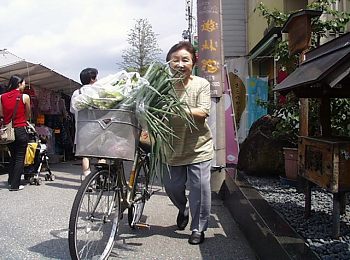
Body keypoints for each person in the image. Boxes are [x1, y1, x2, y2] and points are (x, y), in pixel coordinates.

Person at [163, 41, 213, 245]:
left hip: (198, 147)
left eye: (185, 60)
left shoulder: (201, 84)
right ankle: (182, 209)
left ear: (193, 63)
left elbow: (202, 112)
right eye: (175, 60)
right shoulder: (163, 87)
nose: (180, 64)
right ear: (169, 63)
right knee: (172, 187)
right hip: (172, 148)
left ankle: (198, 228)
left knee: (200, 187)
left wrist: (176, 108)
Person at [0, 75, 31, 191]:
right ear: (19, 84)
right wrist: (24, 120)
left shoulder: (1, 97)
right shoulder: (25, 97)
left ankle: (10, 180)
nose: (25, 85)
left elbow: (1, 114)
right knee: (19, 157)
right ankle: (15, 185)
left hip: (8, 130)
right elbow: (28, 113)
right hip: (20, 128)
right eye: (23, 83)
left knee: (13, 156)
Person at [70, 68, 98, 180]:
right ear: (92, 79)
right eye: (96, 77)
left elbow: (72, 110)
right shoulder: (98, 91)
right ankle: (101, 177)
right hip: (98, 127)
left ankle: (88, 178)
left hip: (82, 129)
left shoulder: (77, 93)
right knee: (101, 154)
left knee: (86, 155)